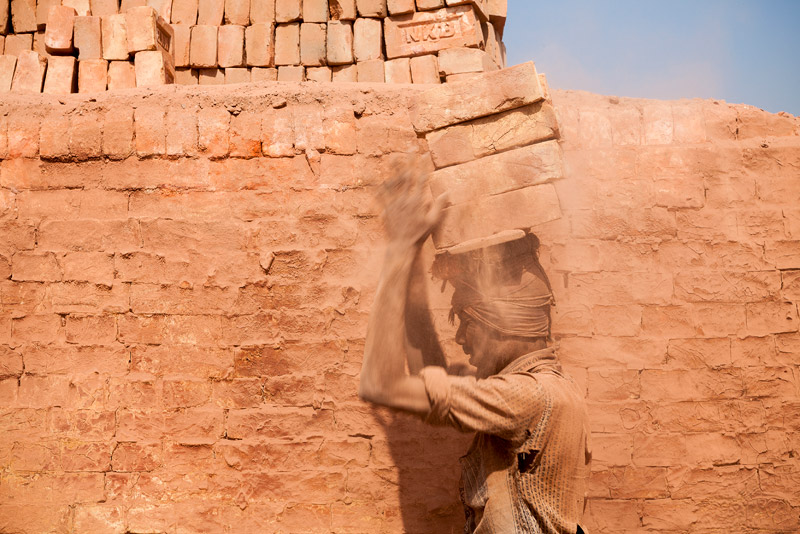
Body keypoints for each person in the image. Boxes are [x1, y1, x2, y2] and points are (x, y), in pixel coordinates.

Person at [359, 163, 592, 534]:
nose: (461, 338)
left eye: (468, 322)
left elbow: (378, 385)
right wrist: (413, 253)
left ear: (505, 324)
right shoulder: (538, 387)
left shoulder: (527, 397)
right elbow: (425, 378)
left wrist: (399, 250)